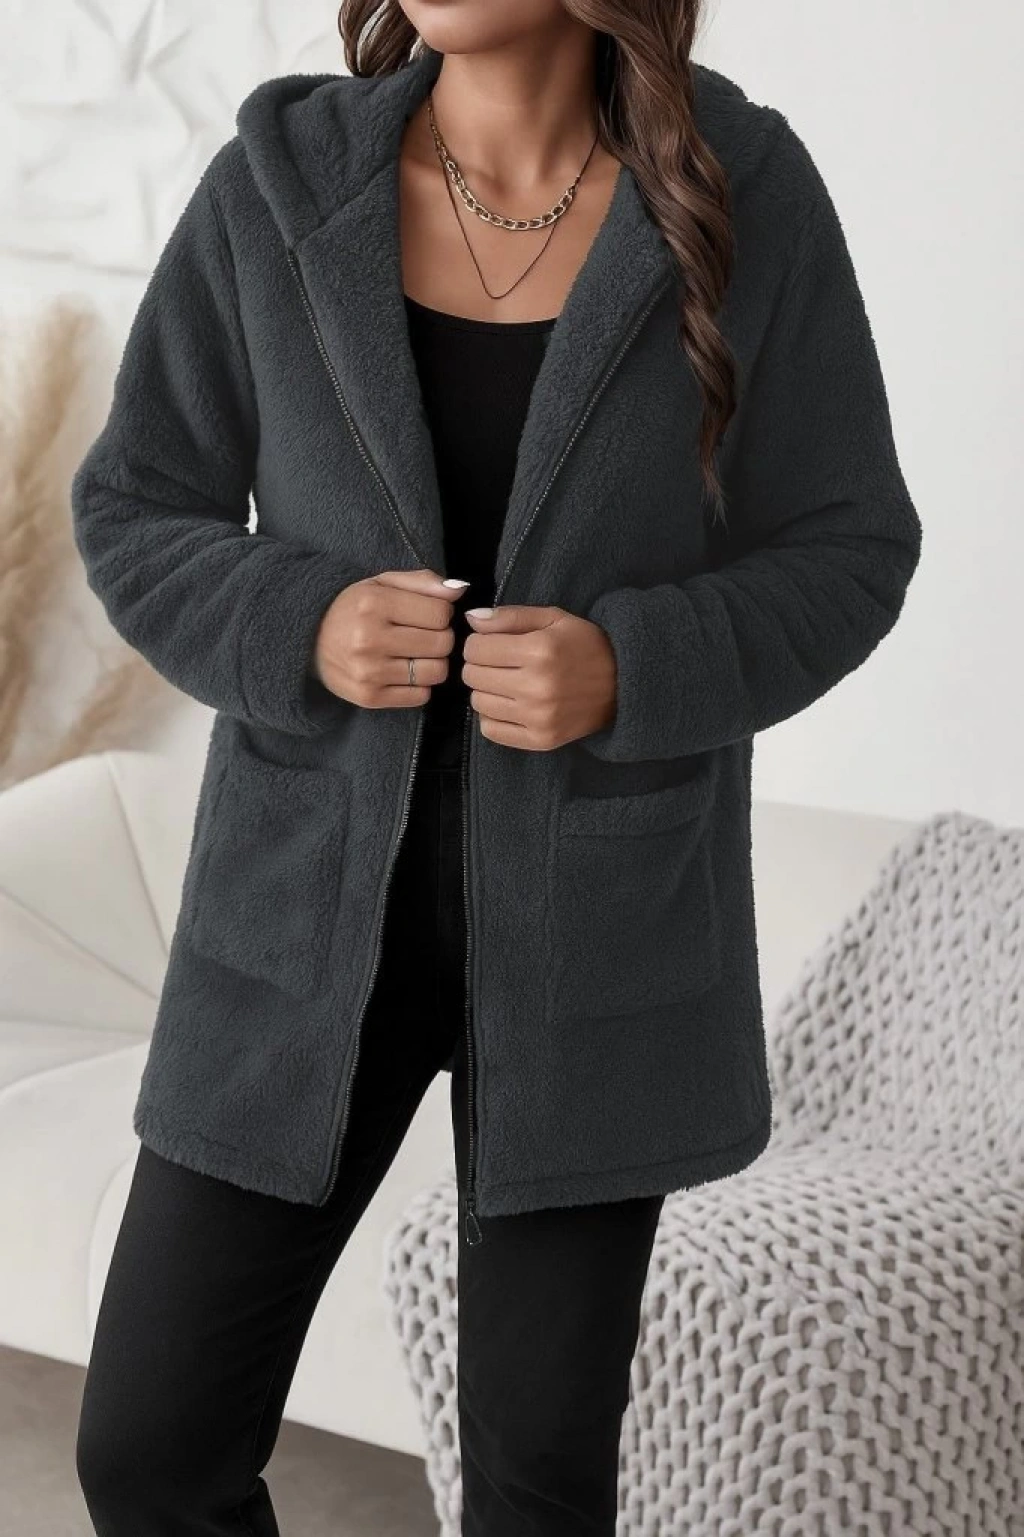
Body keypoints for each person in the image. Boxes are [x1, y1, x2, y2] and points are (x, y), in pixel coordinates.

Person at [71, 3, 922, 1533]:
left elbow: (850, 548)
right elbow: (136, 506)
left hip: (596, 938)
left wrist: (633, 666)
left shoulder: (738, 187)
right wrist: (301, 621)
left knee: (535, 1490)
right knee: (150, 1450)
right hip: (298, 919)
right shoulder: (278, 183)